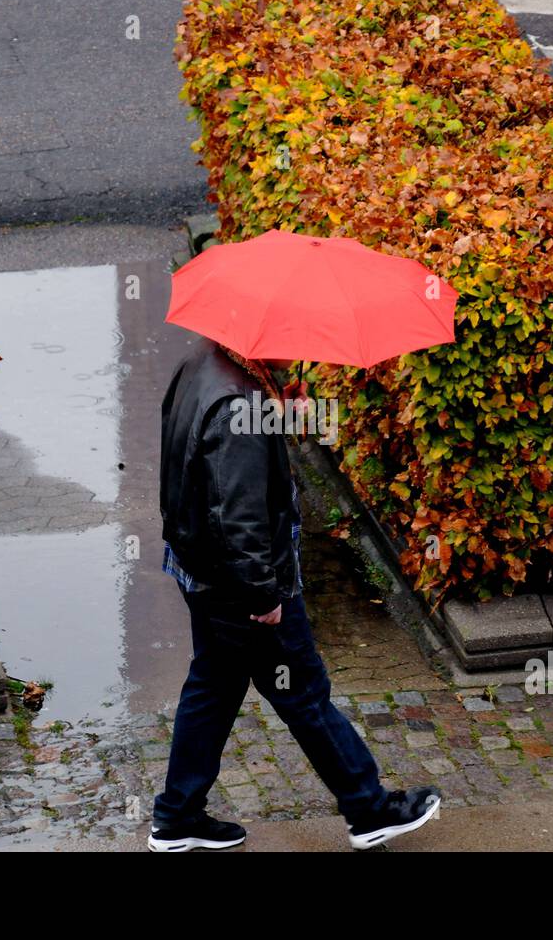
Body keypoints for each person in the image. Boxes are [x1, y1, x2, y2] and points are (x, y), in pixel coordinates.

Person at [149, 339, 441, 851]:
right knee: (303, 692)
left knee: (213, 688)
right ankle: (369, 809)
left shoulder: (203, 363)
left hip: (202, 569)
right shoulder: (241, 402)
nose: (305, 347)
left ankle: (177, 817)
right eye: (297, 341)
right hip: (244, 585)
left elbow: (211, 462)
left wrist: (280, 409)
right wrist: (262, 595)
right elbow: (236, 513)